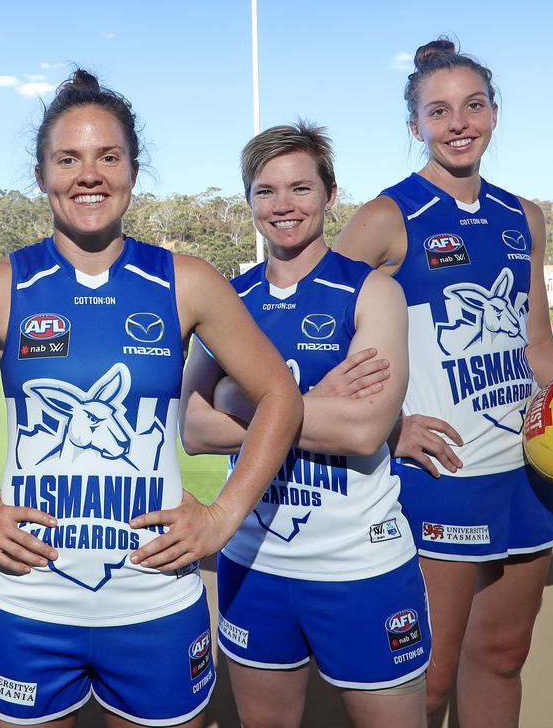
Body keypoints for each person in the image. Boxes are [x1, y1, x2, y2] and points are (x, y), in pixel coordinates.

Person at [0, 69, 304, 728]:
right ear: (42, 174)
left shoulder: (184, 281)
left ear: (133, 168)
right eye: (67, 159)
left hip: (154, 601)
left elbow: (279, 396)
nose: (88, 174)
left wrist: (221, 518)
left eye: (108, 156)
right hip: (27, 605)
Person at [332, 38, 553, 727]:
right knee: (425, 682)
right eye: (439, 111)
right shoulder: (387, 217)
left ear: (494, 113)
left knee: (501, 656)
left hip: (525, 473)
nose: (458, 123)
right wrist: (390, 426)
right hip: (440, 477)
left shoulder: (525, 217)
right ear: (416, 127)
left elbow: (538, 346)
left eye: (473, 105)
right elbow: (319, 334)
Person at [181, 122, 427, 728]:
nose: (283, 206)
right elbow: (190, 429)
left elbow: (366, 430)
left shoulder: (372, 292)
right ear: (250, 203)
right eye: (265, 192)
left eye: (300, 188)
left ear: (330, 195)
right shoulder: (228, 300)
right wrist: (313, 401)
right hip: (254, 561)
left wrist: (242, 398)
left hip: (360, 567)